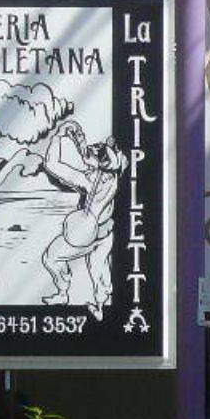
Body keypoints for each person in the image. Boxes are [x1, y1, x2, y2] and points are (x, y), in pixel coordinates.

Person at [40, 120, 126, 320]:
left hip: (87, 233)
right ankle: (100, 306)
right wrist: (77, 138)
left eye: (95, 152)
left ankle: (63, 292)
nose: (89, 153)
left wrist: (58, 136)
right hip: (105, 232)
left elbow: (52, 164)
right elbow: (87, 154)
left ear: (99, 161)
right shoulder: (113, 176)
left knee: (51, 258)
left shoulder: (89, 180)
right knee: (99, 269)